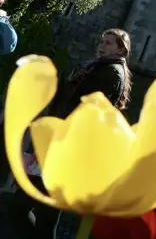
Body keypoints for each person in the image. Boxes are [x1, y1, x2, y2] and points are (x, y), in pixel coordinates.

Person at [10, 28, 133, 239]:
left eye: (109, 43)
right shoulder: (95, 67)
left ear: (121, 50)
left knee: (26, 206)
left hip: (67, 146)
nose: (102, 45)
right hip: (61, 142)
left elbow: (87, 107)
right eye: (102, 41)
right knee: (42, 212)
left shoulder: (111, 72)